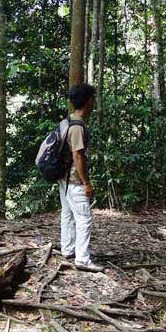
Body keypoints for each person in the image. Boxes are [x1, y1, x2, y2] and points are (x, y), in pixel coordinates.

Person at [58, 83, 104, 271]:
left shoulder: (67, 121)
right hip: (75, 179)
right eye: (93, 99)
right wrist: (86, 182)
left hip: (63, 177)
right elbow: (77, 155)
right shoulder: (77, 127)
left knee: (67, 213)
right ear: (88, 102)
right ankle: (82, 259)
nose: (94, 103)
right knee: (84, 218)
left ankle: (68, 249)